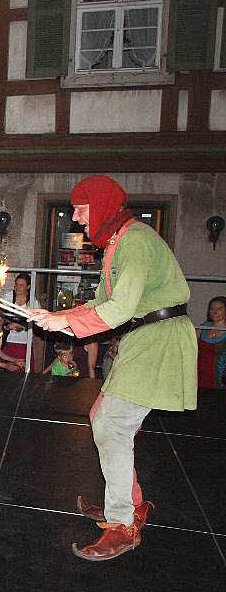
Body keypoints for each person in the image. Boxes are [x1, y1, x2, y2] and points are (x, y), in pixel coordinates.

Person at [28, 175, 196, 561]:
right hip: (146, 338)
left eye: (80, 208)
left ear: (101, 205)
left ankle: (123, 524)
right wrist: (56, 316)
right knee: (105, 418)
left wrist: (66, 324)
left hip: (160, 338)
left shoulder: (135, 241)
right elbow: (100, 303)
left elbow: (118, 310)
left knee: (114, 424)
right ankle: (129, 505)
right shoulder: (119, 244)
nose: (75, 217)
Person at [1, 273, 38, 369]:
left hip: (24, 342)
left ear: (28, 287)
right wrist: (7, 326)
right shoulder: (7, 298)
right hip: (7, 341)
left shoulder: (33, 302)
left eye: (21, 285)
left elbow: (38, 323)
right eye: (16, 284)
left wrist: (23, 325)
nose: (17, 287)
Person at [197, 295, 226, 388]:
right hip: (200, 377)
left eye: (219, 308)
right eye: (212, 308)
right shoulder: (202, 327)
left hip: (221, 381)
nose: (215, 311)